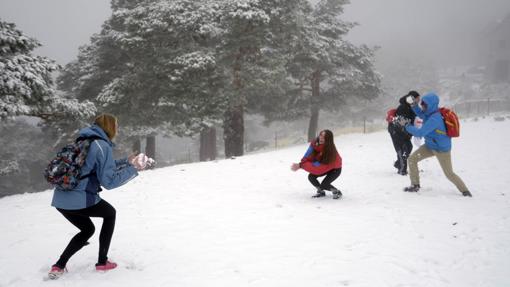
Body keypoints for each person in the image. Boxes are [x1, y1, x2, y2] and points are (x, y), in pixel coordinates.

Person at [48, 114, 145, 279]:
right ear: (110, 127)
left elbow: (97, 167)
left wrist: (126, 162)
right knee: (110, 214)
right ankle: (102, 262)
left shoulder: (84, 141)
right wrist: (134, 169)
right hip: (80, 199)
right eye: (116, 126)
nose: (117, 130)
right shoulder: (102, 146)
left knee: (87, 230)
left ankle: (58, 266)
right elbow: (109, 181)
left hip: (60, 200)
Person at [402, 93, 472, 197]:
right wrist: (413, 105)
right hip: (430, 146)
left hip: (441, 149)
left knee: (449, 174)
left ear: (431, 105)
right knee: (412, 159)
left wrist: (406, 125)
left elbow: (420, 133)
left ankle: (465, 191)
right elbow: (421, 114)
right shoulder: (430, 113)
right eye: (422, 104)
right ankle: (415, 185)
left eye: (424, 105)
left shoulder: (435, 119)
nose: (422, 106)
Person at [291, 130, 343, 199]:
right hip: (323, 166)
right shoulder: (315, 143)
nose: (321, 138)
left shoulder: (330, 151)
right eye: (321, 135)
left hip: (335, 169)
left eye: (324, 137)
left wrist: (301, 166)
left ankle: (336, 191)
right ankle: (321, 191)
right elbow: (307, 156)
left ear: (328, 139)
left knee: (324, 184)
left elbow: (319, 169)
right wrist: (301, 164)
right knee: (311, 177)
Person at [388, 91, 420, 175]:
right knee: (402, 150)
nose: (419, 100)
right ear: (412, 98)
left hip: (405, 132)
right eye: (417, 98)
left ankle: (399, 164)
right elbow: (400, 121)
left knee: (409, 147)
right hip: (396, 131)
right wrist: (411, 125)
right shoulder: (403, 107)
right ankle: (402, 170)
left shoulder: (412, 107)